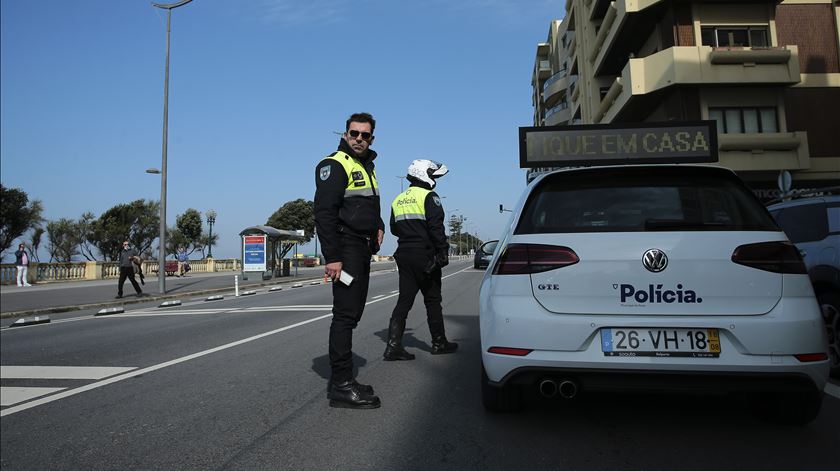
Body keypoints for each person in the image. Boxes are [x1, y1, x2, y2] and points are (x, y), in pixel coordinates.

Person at [315, 112, 384, 409]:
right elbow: (325, 212)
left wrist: (378, 224)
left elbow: (367, 202)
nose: (358, 139)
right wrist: (333, 257)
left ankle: (343, 380)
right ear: (345, 135)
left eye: (364, 135)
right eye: (354, 134)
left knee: (353, 312)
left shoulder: (366, 166)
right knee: (345, 315)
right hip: (345, 247)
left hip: (361, 246)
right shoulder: (335, 164)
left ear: (371, 138)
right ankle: (341, 385)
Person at [384, 159, 458, 361]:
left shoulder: (398, 199)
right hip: (425, 255)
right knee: (433, 300)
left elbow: (394, 228)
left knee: (404, 301)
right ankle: (439, 343)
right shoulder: (429, 196)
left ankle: (393, 346)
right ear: (423, 174)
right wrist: (442, 252)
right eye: (433, 175)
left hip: (404, 254)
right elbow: (436, 228)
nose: (435, 179)